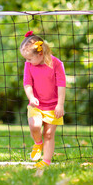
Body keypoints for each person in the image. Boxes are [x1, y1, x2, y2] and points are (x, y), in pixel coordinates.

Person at [20, 31, 66, 168]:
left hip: (53, 106)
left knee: (49, 134)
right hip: (36, 104)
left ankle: (45, 161)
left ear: (40, 54)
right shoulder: (28, 65)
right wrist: (31, 97)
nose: (27, 61)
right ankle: (38, 143)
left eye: (29, 59)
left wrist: (60, 105)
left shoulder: (56, 64)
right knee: (34, 125)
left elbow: (61, 85)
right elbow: (27, 83)